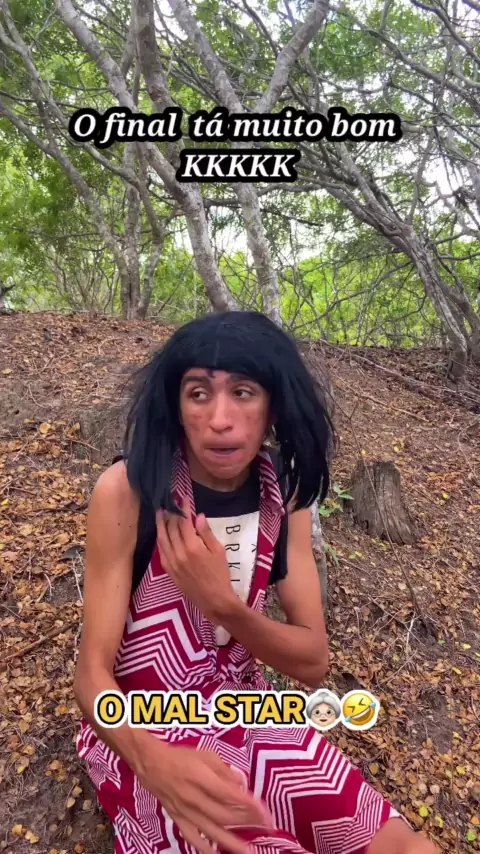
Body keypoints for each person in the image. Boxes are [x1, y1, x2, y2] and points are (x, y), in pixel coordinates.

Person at [74, 311, 437, 854]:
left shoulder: (284, 497)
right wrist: (150, 760)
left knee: (402, 844)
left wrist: (224, 605)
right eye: (199, 394)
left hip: (246, 710)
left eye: (243, 392)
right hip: (138, 721)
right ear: (177, 407)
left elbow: (312, 660)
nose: (220, 419)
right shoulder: (129, 492)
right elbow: (91, 673)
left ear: (273, 406)